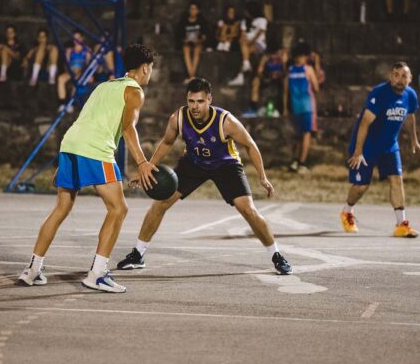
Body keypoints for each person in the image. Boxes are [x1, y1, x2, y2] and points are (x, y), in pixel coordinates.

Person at [116, 77, 293, 276]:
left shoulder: (226, 121)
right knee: (160, 204)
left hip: (226, 164)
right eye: (191, 101)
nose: (195, 106)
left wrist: (262, 177)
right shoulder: (178, 118)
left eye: (200, 101)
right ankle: (138, 254)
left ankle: (276, 255)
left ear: (209, 99)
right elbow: (167, 143)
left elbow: (250, 145)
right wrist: (148, 166)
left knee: (248, 210)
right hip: (194, 163)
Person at [18, 44, 158, 293]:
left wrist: (66, 160)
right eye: (151, 70)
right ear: (145, 68)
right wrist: (142, 162)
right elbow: (128, 128)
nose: (150, 74)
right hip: (95, 150)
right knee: (119, 209)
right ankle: (97, 274)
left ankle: (32, 270)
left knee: (62, 207)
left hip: (70, 144)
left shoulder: (105, 85)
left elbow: (86, 119)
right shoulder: (134, 92)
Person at [340, 62, 420, 238]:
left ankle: (401, 224)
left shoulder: (410, 95)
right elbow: (364, 123)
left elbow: (410, 116)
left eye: (404, 76)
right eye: (396, 75)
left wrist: (414, 139)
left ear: (410, 79)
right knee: (362, 186)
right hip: (368, 145)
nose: (399, 80)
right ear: (390, 76)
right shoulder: (379, 93)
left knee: (397, 180)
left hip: (390, 146)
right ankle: (347, 211)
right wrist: (358, 151)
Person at [283, 42, 319, 174]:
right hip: (307, 106)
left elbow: (285, 91)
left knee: (296, 136)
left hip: (294, 106)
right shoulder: (308, 69)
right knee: (306, 134)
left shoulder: (290, 70)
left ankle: (294, 161)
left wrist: (285, 108)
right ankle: (302, 163)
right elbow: (316, 87)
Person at [228, 2, 268, 86]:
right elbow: (243, 33)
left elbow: (260, 33)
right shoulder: (244, 21)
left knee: (245, 53)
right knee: (245, 50)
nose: (245, 13)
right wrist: (243, 39)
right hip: (246, 44)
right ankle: (245, 67)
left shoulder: (262, 20)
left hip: (259, 44)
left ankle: (241, 75)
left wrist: (251, 41)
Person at [57, 30, 92, 112]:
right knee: (60, 79)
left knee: (76, 79)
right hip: (71, 71)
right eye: (74, 38)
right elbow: (66, 66)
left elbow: (89, 65)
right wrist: (67, 56)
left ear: (82, 38)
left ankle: (70, 104)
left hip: (81, 71)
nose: (76, 40)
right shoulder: (70, 50)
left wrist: (83, 72)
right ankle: (62, 103)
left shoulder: (86, 50)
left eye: (78, 38)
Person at [175, 1, 208, 84]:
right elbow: (180, 36)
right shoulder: (184, 21)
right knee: (185, 49)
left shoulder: (201, 21)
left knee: (197, 49)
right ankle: (192, 76)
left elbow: (205, 36)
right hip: (187, 43)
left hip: (198, 43)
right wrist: (185, 40)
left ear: (198, 11)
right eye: (191, 9)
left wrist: (198, 40)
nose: (193, 11)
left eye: (195, 9)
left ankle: (191, 77)